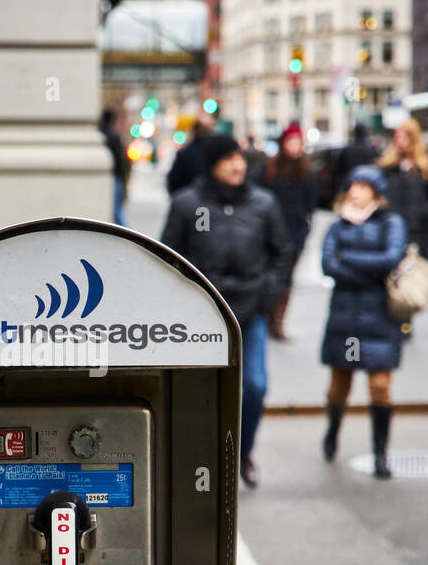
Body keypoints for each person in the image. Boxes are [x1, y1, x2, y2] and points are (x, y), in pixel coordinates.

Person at [161, 134, 292, 489]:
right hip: (203, 315)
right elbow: (169, 257)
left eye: (241, 159)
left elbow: (282, 250)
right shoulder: (188, 204)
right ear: (213, 163)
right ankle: (200, 459)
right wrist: (188, 301)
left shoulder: (263, 203)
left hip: (251, 312)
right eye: (229, 159)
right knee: (199, 392)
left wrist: (268, 292)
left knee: (255, 385)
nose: (238, 165)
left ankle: (243, 452)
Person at [320, 165, 407, 479]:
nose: (355, 191)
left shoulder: (391, 223)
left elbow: (391, 259)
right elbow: (327, 264)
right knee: (338, 387)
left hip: (380, 317)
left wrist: (349, 260)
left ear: (376, 191)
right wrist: (367, 271)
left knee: (380, 387)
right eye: (352, 185)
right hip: (344, 316)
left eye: (363, 185)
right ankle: (332, 432)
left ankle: (380, 455)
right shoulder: (337, 225)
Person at [263, 122, 315, 339]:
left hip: (294, 234)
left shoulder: (308, 172)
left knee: (287, 280)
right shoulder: (271, 169)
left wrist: (303, 230)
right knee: (269, 276)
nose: (295, 146)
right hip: (269, 233)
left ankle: (277, 321)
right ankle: (266, 317)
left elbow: (310, 203)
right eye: (291, 141)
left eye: (298, 142)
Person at [376, 117, 428, 260]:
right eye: (397, 137)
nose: (400, 141)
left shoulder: (426, 166)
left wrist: (423, 212)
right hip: (392, 225)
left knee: (417, 270)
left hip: (418, 228)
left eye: (404, 137)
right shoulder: (388, 166)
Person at [100, 108, 130, 226]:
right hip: (115, 177)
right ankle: (127, 236)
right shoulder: (114, 135)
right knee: (117, 210)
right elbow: (120, 159)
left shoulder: (101, 134)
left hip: (105, 177)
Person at [166, 119, 212, 195]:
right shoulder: (214, 152)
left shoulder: (186, 151)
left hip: (187, 195)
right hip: (210, 198)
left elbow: (174, 179)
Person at [332, 122, 377, 199]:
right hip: (365, 189)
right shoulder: (371, 150)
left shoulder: (347, 150)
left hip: (349, 186)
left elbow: (337, 169)